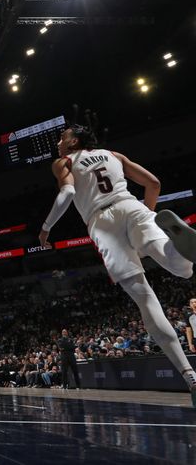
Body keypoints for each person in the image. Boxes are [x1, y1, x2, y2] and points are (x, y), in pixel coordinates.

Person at [39, 124, 196, 405]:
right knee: (181, 268)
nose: (58, 143)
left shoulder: (63, 162)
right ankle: (173, 246)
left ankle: (189, 376)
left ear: (74, 141)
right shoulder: (114, 154)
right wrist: (147, 214)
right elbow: (154, 184)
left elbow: (67, 195)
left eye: (62, 137)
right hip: (130, 205)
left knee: (144, 298)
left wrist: (46, 228)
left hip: (101, 222)